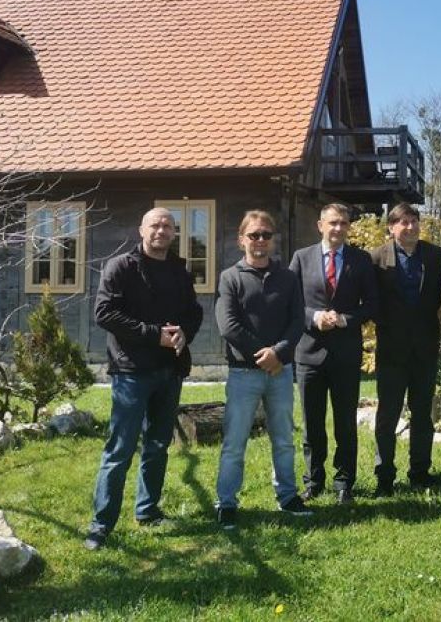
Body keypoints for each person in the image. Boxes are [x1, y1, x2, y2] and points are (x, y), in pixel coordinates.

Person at [85, 207, 203, 550]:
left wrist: (184, 333)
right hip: (131, 372)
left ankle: (148, 510)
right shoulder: (121, 267)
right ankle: (101, 524)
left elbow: (194, 312)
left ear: (174, 233)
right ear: (142, 230)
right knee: (120, 449)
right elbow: (104, 313)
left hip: (170, 371)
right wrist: (154, 335)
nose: (161, 230)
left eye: (167, 226)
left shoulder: (179, 271)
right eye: (155, 225)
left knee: (157, 445)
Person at [213, 210, 311, 529]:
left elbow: (297, 320)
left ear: (272, 240)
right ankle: (226, 503)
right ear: (241, 239)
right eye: (254, 235)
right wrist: (263, 354)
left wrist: (278, 353)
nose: (260, 240)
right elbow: (228, 326)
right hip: (244, 373)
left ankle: (288, 496)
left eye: (266, 235)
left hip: (280, 372)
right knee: (234, 442)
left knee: (283, 439)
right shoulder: (230, 277)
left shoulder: (288, 278)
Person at [290, 203, 378, 504]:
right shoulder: (301, 258)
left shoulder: (361, 260)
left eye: (343, 223)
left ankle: (344, 483)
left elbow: (372, 304)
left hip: (345, 354)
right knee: (312, 423)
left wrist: (345, 319)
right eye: (332, 223)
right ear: (320, 225)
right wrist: (314, 317)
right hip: (309, 353)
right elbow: (290, 302)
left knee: (345, 424)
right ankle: (313, 481)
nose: (338, 228)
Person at [370, 203, 441, 496]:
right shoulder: (377, 258)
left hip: (425, 347)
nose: (410, 227)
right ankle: (384, 477)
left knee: (423, 413)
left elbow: (437, 296)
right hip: (391, 348)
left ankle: (420, 472)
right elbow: (373, 300)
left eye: (414, 221)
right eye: (404, 222)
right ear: (391, 227)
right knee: (387, 415)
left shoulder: (435, 256)